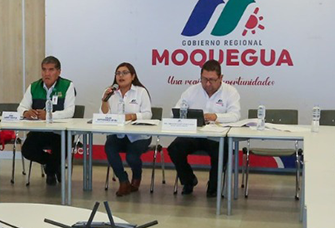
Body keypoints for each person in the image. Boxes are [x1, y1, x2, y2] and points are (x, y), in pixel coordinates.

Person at [168, 59, 240, 197]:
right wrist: (185, 115)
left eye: (212, 80)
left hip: (216, 136)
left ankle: (213, 188)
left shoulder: (230, 92)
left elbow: (235, 116)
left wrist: (215, 117)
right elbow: (175, 111)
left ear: (221, 78)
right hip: (194, 134)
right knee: (174, 148)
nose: (207, 84)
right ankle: (189, 180)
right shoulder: (192, 90)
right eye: (204, 79)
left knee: (222, 152)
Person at [19, 56, 78, 185]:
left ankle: (51, 172)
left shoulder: (67, 86)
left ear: (59, 72)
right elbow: (21, 107)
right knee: (27, 150)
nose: (47, 73)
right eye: (44, 70)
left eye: (51, 70)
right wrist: (26, 112)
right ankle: (54, 166)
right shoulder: (34, 86)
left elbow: (69, 112)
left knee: (60, 148)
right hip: (40, 131)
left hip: (60, 132)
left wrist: (49, 116)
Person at [99, 62, 153, 197]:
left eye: (124, 73)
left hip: (140, 136)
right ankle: (123, 181)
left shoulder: (141, 92)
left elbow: (148, 114)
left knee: (131, 156)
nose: (121, 76)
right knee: (109, 147)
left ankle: (137, 176)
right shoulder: (111, 92)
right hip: (119, 134)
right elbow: (104, 115)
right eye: (118, 73)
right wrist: (104, 100)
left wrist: (132, 116)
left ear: (133, 76)